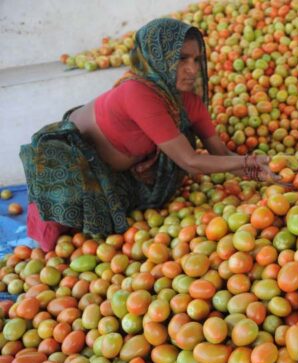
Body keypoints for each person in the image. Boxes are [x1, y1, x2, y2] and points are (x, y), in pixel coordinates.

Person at [19, 18, 279, 252]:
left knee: (180, 140)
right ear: (157, 57)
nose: (192, 69)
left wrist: (263, 174)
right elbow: (189, 160)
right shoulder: (138, 92)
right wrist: (248, 163)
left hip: (118, 173)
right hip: (73, 162)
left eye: (196, 60)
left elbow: (221, 156)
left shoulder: (190, 103)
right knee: (55, 239)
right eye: (181, 59)